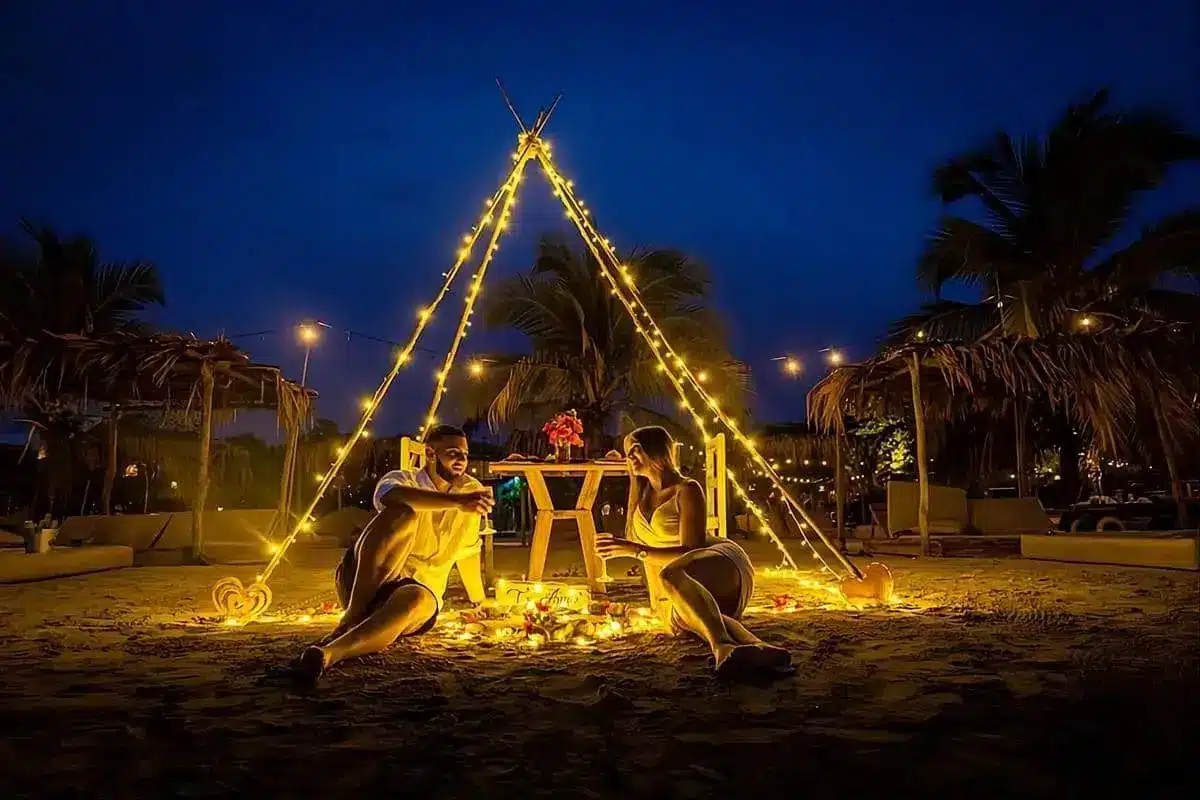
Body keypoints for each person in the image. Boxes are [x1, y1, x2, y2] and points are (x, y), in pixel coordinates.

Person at [294, 424, 495, 683]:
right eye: (453, 453)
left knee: (415, 598)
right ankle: (351, 618)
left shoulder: (471, 489)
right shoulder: (402, 479)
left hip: (416, 591)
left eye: (465, 455)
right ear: (431, 454)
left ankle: (327, 654)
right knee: (403, 513)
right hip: (365, 582)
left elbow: (467, 552)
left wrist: (479, 601)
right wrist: (457, 504)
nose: (461, 460)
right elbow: (389, 496)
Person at [595, 426, 791, 678]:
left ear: (656, 451)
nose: (629, 456)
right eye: (626, 452)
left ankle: (721, 646)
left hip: (717, 560)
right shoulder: (641, 495)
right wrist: (662, 605)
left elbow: (691, 550)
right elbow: (653, 567)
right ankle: (762, 647)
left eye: (636, 449)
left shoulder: (687, 489)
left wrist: (634, 550)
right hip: (678, 576)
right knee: (681, 619)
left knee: (671, 575)